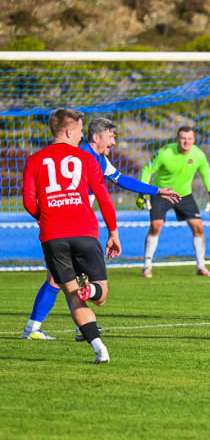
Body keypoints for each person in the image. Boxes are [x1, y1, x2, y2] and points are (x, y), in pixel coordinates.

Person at [21, 117, 181, 341]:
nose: (114, 142)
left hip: (70, 227)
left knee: (69, 279)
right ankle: (34, 329)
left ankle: (76, 328)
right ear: (97, 137)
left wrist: (156, 190)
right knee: (57, 279)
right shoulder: (83, 157)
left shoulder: (98, 159)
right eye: (111, 136)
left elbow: (121, 179)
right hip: (67, 226)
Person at [21, 108, 121, 364]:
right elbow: (103, 197)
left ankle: (100, 350)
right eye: (79, 131)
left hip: (53, 236)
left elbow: (28, 202)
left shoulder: (33, 160)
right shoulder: (85, 159)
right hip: (85, 232)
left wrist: (47, 218)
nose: (81, 136)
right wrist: (113, 232)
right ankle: (92, 291)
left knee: (72, 294)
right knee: (101, 296)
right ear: (68, 131)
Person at [138, 125, 210, 278]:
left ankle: (201, 266)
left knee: (198, 227)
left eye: (189, 139)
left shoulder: (199, 154)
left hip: (184, 195)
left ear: (194, 140)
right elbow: (147, 170)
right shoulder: (165, 153)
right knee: (156, 226)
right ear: (177, 139)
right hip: (162, 193)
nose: (186, 142)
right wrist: (143, 193)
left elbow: (206, 173)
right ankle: (147, 267)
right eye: (183, 138)